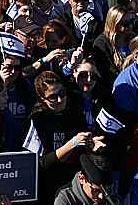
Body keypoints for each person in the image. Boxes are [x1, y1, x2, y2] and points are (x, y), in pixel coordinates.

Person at [30, 71, 105, 199]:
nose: (60, 100)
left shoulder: (74, 110)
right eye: (52, 97)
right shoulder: (37, 120)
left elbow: (83, 144)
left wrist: (91, 144)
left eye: (62, 93)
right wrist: (73, 142)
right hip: (50, 184)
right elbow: (44, 163)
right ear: (42, 98)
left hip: (75, 178)